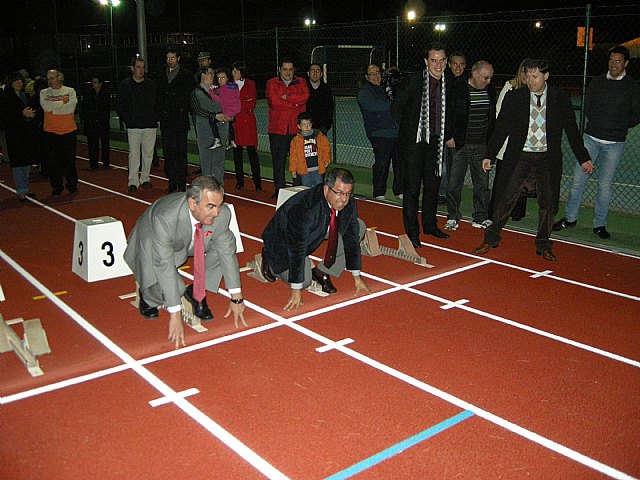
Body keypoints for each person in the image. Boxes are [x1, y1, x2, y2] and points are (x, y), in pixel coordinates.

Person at [473, 59, 592, 261]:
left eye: (535, 76)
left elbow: (572, 129)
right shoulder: (515, 97)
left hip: (547, 158)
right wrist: (489, 155)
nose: (530, 81)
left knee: (548, 203)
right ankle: (491, 238)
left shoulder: (559, 97)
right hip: (519, 156)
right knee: (505, 199)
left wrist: (583, 158)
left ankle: (543, 244)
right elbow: (501, 128)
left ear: (546, 76)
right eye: (527, 76)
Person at [123, 175, 246, 349]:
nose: (217, 212)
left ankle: (196, 292)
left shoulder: (222, 214)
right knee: (175, 288)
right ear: (192, 203)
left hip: (186, 240)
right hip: (151, 241)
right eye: (211, 206)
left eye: (219, 205)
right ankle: (147, 295)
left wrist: (237, 298)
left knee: (225, 244)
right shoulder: (165, 217)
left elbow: (227, 252)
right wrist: (175, 313)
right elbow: (164, 264)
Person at [553, 45, 640, 240]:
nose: (613, 64)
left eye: (618, 61)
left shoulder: (632, 87)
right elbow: (588, 106)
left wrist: (619, 125)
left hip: (615, 144)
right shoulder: (597, 82)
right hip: (590, 139)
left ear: (626, 63)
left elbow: (636, 113)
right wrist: (598, 122)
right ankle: (570, 218)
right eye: (611, 60)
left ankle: (599, 224)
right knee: (577, 182)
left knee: (604, 186)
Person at [261, 168, 371, 310]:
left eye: (348, 193)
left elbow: (351, 235)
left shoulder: (347, 201)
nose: (344, 199)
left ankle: (322, 271)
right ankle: (269, 259)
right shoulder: (305, 207)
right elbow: (297, 246)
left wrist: (357, 276)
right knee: (304, 282)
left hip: (317, 228)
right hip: (283, 240)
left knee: (359, 226)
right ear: (326, 189)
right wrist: (296, 289)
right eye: (339, 193)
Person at [391, 43, 450, 248]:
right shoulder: (413, 81)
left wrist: (448, 134)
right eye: (434, 60)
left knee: (432, 186)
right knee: (412, 189)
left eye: (442, 60)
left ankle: (430, 225)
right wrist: (410, 132)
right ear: (426, 62)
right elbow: (396, 107)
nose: (438, 65)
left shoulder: (449, 83)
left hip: (436, 142)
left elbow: (453, 111)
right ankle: (412, 232)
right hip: (414, 144)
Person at [443, 60, 496, 231]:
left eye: (490, 78)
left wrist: (490, 143)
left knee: (482, 184)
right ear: (474, 73)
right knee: (454, 183)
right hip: (459, 145)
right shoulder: (457, 88)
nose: (488, 81)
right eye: (485, 77)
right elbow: (447, 112)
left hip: (481, 146)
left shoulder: (489, 90)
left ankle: (480, 216)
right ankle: (453, 216)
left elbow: (492, 117)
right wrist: (448, 136)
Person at [488, 58, 531, 222]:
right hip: (506, 143)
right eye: (524, 72)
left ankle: (516, 213)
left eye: (530, 74)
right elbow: (499, 113)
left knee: (521, 180)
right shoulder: (509, 87)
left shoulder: (535, 91)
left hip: (525, 145)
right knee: (502, 179)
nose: (526, 77)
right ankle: (494, 211)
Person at [266, 58, 309, 199]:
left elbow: (305, 96)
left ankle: (298, 188)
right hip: (277, 129)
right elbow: (275, 102)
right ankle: (279, 189)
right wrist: (295, 104)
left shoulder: (301, 82)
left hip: (296, 130)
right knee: (278, 162)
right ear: (280, 70)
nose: (288, 73)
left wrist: (287, 97)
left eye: (290, 70)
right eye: (285, 69)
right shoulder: (272, 83)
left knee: (298, 161)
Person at [357, 64, 400, 201]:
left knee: (400, 162)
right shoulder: (365, 92)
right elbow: (374, 106)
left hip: (395, 131)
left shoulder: (387, 88)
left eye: (377, 73)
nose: (376, 76)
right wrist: (394, 103)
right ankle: (379, 192)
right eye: (372, 74)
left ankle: (399, 190)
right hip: (379, 133)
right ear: (366, 77)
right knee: (382, 163)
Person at [117, 56, 158, 193]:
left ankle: (145, 178)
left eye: (143, 67)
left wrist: (154, 117)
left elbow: (157, 102)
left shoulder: (151, 84)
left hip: (149, 125)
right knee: (134, 155)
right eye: (138, 67)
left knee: (148, 154)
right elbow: (120, 105)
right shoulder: (125, 85)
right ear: (132, 68)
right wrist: (127, 120)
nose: (141, 70)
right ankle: (133, 181)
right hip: (133, 126)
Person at [157, 46, 194, 194]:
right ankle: (172, 182)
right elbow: (158, 96)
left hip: (180, 120)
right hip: (166, 120)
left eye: (172, 58)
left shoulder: (187, 75)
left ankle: (182, 182)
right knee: (168, 152)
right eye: (168, 58)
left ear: (178, 58)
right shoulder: (161, 74)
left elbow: (189, 97)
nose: (170, 61)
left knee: (181, 152)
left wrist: (183, 109)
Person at [40, 69, 79, 197]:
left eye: (52, 78)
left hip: (69, 131)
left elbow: (71, 108)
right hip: (50, 132)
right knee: (54, 162)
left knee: (69, 162)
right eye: (48, 79)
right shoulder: (44, 92)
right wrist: (62, 103)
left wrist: (54, 109)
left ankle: (72, 186)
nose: (49, 81)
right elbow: (46, 107)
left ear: (59, 78)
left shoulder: (70, 91)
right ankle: (57, 187)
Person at [190, 67, 231, 182]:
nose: (213, 76)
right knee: (206, 159)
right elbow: (197, 109)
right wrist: (214, 115)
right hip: (204, 130)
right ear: (202, 75)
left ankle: (219, 186)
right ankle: (208, 188)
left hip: (221, 128)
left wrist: (229, 114)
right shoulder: (196, 92)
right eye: (210, 73)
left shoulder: (219, 90)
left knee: (219, 159)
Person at [438, 51, 468, 205]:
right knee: (442, 164)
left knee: (455, 168)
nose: (458, 67)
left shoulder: (467, 83)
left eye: (461, 64)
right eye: (455, 64)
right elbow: (442, 111)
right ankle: (442, 193)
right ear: (449, 65)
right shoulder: (442, 82)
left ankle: (452, 196)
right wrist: (448, 135)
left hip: (460, 135)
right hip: (443, 133)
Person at [4, 72, 38, 201]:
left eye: (20, 81)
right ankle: (21, 190)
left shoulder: (25, 95)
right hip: (14, 134)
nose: (19, 83)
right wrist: (21, 113)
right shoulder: (6, 97)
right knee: (18, 163)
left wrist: (30, 115)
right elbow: (6, 116)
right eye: (16, 81)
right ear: (11, 82)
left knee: (26, 162)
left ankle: (25, 187)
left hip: (26, 133)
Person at [231, 61, 262, 191]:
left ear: (241, 71)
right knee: (237, 154)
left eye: (236, 70)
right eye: (233, 70)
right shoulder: (229, 85)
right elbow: (228, 103)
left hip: (248, 123)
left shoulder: (251, 84)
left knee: (252, 153)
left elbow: (252, 103)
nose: (233, 73)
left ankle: (257, 182)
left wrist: (237, 104)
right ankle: (240, 181)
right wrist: (242, 103)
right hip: (235, 123)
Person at [289, 111, 331, 187]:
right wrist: (293, 169)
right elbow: (293, 156)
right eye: (304, 125)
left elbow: (326, 149)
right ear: (299, 126)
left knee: (318, 189)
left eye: (309, 124)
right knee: (306, 189)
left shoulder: (319, 136)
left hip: (318, 169)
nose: (307, 127)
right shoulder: (295, 140)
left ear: (311, 124)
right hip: (304, 171)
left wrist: (326, 160)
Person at [81, 74, 111, 170]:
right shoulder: (88, 93)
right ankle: (93, 164)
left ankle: (106, 162)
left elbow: (107, 108)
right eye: (92, 82)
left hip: (102, 123)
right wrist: (86, 119)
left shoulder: (105, 94)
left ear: (100, 83)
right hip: (91, 123)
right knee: (92, 144)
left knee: (105, 143)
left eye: (95, 82)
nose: (93, 84)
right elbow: (84, 107)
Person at [207, 68, 240, 150]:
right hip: (234, 111)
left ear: (227, 78)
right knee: (230, 125)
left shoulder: (224, 88)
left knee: (212, 119)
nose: (220, 80)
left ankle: (217, 139)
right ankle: (232, 141)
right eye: (218, 78)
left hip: (227, 111)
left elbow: (220, 100)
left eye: (222, 78)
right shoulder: (234, 86)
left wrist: (211, 92)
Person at [305, 63, 334, 135]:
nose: (315, 73)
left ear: (321, 74)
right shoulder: (303, 87)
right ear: (308, 73)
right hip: (305, 127)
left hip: (321, 128)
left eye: (317, 71)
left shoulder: (326, 89)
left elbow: (330, 108)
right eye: (312, 70)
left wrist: (326, 125)